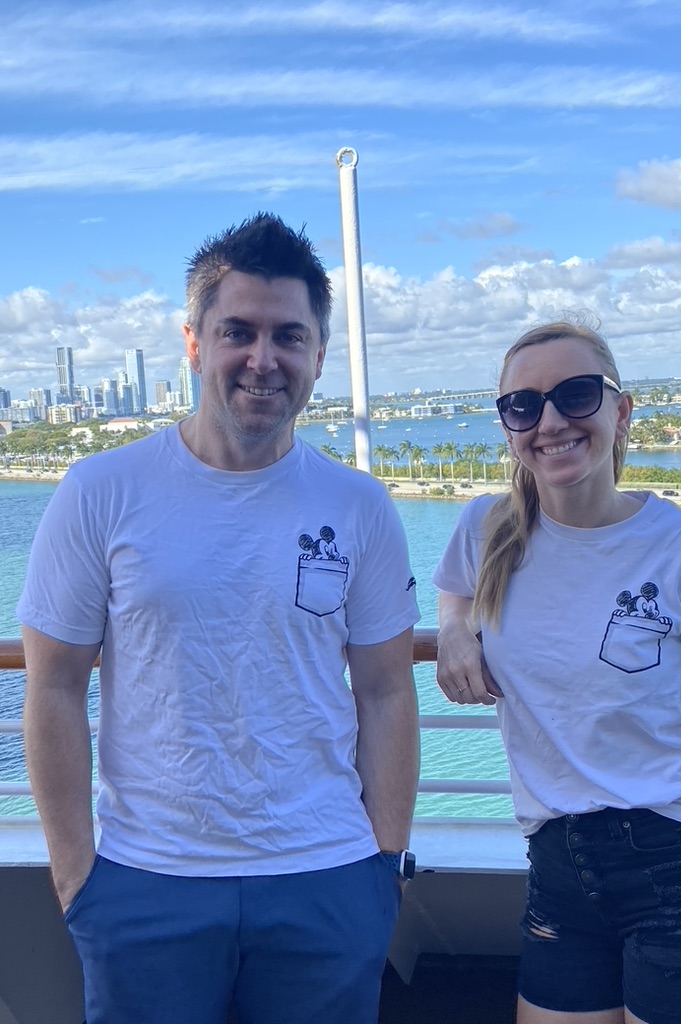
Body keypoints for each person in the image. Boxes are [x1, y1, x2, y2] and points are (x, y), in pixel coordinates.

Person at [19, 212, 420, 1024]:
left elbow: (386, 692)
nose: (263, 360)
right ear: (194, 341)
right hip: (145, 878)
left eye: (289, 336)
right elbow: (53, 685)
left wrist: (380, 864)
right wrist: (77, 877)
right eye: (238, 331)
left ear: (318, 353)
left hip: (327, 873)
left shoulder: (360, 505)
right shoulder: (99, 491)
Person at [433, 319, 681, 1024]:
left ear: (621, 412)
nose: (549, 420)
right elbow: (457, 587)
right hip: (558, 872)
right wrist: (455, 629)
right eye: (523, 405)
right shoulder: (485, 530)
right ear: (507, 428)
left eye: (576, 394)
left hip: (677, 866)